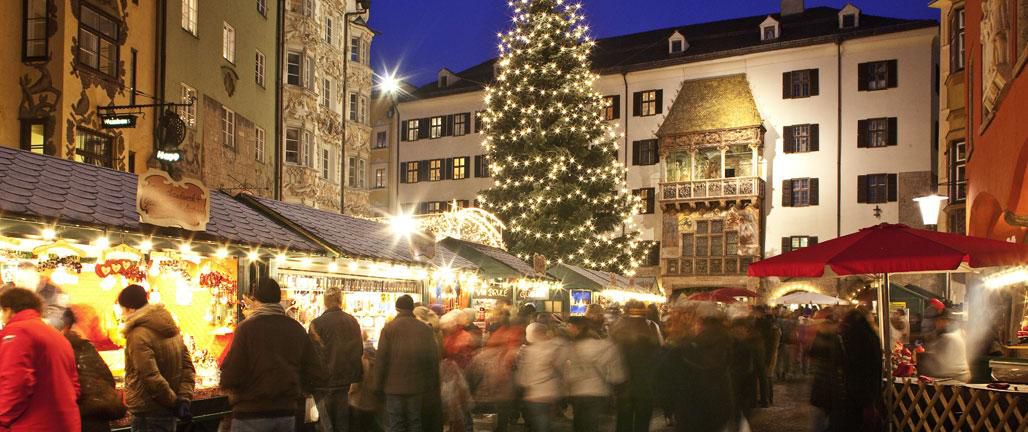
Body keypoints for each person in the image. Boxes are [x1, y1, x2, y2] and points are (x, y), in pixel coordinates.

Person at [220, 279, 324, 431]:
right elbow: (315, 371)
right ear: (278, 299)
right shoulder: (295, 328)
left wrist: (228, 388)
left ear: (256, 300)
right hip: (285, 412)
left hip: (251, 413)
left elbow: (233, 371)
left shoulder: (247, 329)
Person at [0, 287, 81, 431]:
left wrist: (2, 417)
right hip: (66, 423)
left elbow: (16, 382)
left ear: (8, 310)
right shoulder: (57, 336)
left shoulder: (18, 331)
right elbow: (74, 385)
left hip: (33, 425)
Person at [118, 284, 195, 432]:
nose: (122, 314)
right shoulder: (170, 326)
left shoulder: (138, 334)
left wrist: (174, 402)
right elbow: (188, 367)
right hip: (167, 410)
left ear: (131, 308)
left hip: (147, 410)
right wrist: (182, 399)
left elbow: (149, 376)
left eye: (122, 309)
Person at [375, 295, 440, 432]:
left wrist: (377, 386)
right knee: (415, 421)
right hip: (417, 386)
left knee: (396, 423)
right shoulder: (425, 329)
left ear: (397, 309)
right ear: (412, 308)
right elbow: (432, 358)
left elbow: (381, 360)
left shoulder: (389, 328)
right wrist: (431, 384)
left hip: (393, 386)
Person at [309, 288, 364, 432]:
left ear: (325, 302)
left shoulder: (317, 323)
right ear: (341, 301)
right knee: (342, 423)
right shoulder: (352, 321)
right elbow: (359, 350)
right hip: (345, 381)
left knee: (325, 424)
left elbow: (312, 355)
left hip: (323, 383)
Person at [62, 309, 126, 432]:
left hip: (80, 419)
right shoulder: (85, 347)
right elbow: (108, 379)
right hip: (99, 416)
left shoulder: (59, 349)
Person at [566, 316, 626, 432]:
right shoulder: (605, 346)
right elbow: (615, 371)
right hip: (597, 390)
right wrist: (617, 382)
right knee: (591, 421)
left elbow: (568, 370)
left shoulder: (573, 347)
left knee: (579, 420)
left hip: (577, 390)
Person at [609, 300, 662, 432]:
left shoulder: (617, 326)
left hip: (623, 381)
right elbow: (660, 351)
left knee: (623, 419)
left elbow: (610, 354)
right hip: (646, 381)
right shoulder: (652, 327)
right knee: (642, 420)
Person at [515, 322, 570, 432]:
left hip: (535, 393)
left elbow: (523, 375)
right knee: (546, 421)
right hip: (552, 391)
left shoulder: (528, 351)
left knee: (540, 422)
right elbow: (563, 366)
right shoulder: (556, 346)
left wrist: (523, 385)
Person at [921, 308, 971, 382]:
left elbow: (934, 358)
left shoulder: (948, 337)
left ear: (946, 321)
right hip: (961, 376)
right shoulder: (958, 333)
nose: (936, 323)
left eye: (938, 320)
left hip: (954, 378)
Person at [349, 331, 382, 432]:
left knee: (358, 427)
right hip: (373, 402)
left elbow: (356, 381)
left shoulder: (362, 358)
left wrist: (350, 392)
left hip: (359, 402)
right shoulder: (377, 358)